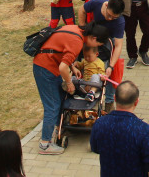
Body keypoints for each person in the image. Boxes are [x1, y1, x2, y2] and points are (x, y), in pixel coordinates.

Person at [31, 21, 108, 155]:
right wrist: (70, 83)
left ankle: (54, 130)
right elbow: (62, 67)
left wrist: (72, 67)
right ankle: (45, 144)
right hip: (45, 68)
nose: (97, 48)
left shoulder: (75, 29)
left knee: (59, 99)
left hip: (48, 66)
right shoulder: (77, 42)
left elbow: (62, 52)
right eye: (98, 45)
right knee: (52, 105)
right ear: (94, 38)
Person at [90, 81, 149, 177]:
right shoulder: (143, 130)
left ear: (114, 98)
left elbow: (95, 148)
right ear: (136, 102)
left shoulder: (100, 124)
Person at [84, 0, 127, 106]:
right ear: (106, 5)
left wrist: (111, 66)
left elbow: (118, 46)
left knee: (109, 72)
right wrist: (83, 28)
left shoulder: (120, 22)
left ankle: (109, 102)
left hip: (109, 43)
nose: (110, 19)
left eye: (114, 17)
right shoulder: (97, 3)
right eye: (109, 15)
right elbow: (82, 10)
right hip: (93, 38)